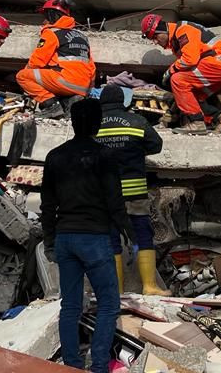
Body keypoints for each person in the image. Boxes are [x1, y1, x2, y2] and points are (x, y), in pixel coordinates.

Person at [42, 98, 134, 373]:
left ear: (72, 122)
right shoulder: (104, 156)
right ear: (97, 123)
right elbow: (114, 201)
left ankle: (71, 365)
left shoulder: (55, 156)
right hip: (94, 239)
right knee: (108, 304)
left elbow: (47, 205)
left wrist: (49, 241)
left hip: (65, 238)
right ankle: (99, 367)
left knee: (70, 306)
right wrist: (129, 232)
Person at [96, 84, 166, 295]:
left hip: (105, 196)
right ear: (123, 102)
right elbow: (156, 145)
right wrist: (136, 149)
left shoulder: (92, 124)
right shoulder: (136, 121)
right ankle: (150, 287)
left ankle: (115, 291)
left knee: (111, 241)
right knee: (142, 236)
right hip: (134, 193)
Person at [140, 14, 221, 134]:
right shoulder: (177, 41)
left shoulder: (183, 30)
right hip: (219, 66)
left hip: (216, 64)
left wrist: (170, 70)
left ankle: (197, 123)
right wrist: (171, 113)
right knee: (192, 97)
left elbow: (190, 59)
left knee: (177, 80)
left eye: (154, 37)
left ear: (162, 30)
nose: (155, 42)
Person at [16, 0, 95, 119]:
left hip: (65, 81)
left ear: (52, 15)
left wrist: (27, 78)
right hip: (83, 87)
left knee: (21, 76)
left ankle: (51, 106)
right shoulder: (82, 37)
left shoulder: (52, 33)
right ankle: (70, 102)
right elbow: (92, 68)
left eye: (46, 16)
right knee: (55, 77)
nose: (44, 21)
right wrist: (88, 88)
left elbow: (37, 61)